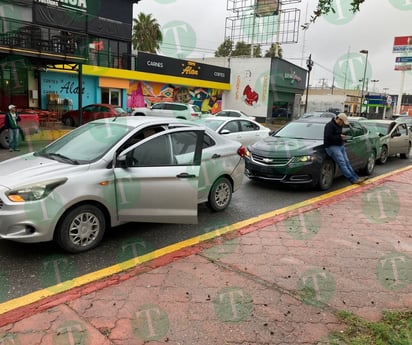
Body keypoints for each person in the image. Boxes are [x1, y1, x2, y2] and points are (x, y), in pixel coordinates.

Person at [323, 113, 367, 184]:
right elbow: (328, 137)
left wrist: (342, 137)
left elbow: (337, 135)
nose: (343, 124)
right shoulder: (329, 126)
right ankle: (353, 179)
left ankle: (356, 177)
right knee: (342, 163)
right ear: (339, 120)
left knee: (347, 162)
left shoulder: (339, 126)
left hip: (340, 145)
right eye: (343, 122)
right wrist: (339, 137)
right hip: (332, 147)